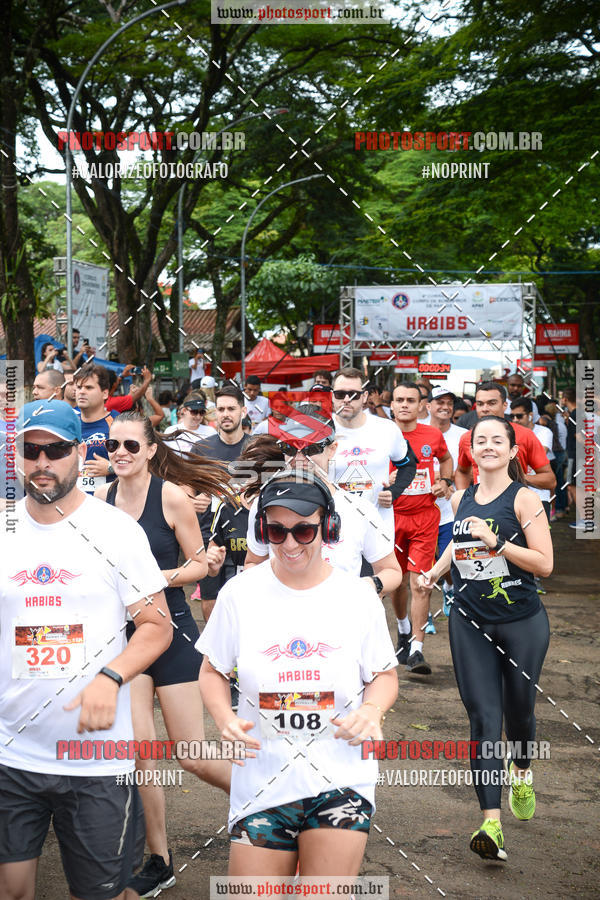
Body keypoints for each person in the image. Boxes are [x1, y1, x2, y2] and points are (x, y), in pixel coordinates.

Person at [1, 400, 172, 900]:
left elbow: (156, 625)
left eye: (54, 449)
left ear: (79, 452)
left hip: (95, 762)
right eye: (30, 451)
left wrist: (110, 676)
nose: (42, 462)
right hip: (13, 753)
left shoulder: (114, 531)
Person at [197, 472, 398, 877]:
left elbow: (383, 674)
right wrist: (224, 719)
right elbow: (212, 670)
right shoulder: (240, 593)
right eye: (276, 531)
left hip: (340, 780)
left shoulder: (358, 596)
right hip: (261, 781)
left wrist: (372, 710)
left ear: (328, 527)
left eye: (304, 530)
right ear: (262, 530)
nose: (289, 544)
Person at [95, 411, 232, 896]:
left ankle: (267, 800)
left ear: (151, 450)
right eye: (113, 446)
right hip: (125, 637)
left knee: (191, 753)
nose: (121, 454)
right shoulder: (101, 500)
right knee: (141, 755)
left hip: (171, 630)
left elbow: (199, 565)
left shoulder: (171, 497)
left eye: (132, 446)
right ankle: (159, 857)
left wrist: (156, 581)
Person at [418, 416, 552, 862]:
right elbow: (457, 547)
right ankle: (491, 824)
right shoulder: (461, 497)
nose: (488, 446)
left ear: (514, 451)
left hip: (521, 623)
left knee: (519, 711)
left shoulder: (524, 498)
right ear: (470, 450)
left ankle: (523, 770)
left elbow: (544, 564)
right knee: (483, 717)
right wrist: (434, 574)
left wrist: (498, 544)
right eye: (481, 440)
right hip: (470, 620)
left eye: (498, 440)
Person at [244, 406, 403, 599]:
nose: (300, 459)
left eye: (311, 448)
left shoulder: (359, 510)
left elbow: (391, 571)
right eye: (290, 448)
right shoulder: (265, 504)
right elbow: (252, 563)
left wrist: (368, 585)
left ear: (332, 449)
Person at [388, 383, 453, 674]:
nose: (404, 404)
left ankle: (416, 650)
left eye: (410, 400)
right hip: (389, 519)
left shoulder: (432, 435)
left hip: (425, 518)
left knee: (421, 583)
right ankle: (402, 630)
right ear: (391, 404)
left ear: (421, 405)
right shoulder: (381, 435)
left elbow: (446, 459)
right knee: (396, 582)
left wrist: (445, 482)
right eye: (399, 400)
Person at [331, 368, 417, 540]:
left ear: (364, 397)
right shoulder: (320, 431)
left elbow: (408, 464)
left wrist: (394, 491)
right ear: (332, 395)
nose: (346, 400)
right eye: (340, 394)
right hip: (333, 529)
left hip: (376, 529)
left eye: (353, 395)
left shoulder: (386, 428)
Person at [455, 383, 555, 497]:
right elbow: (462, 472)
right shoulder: (466, 438)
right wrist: (463, 499)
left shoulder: (525, 435)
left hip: (514, 507)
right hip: (480, 508)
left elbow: (550, 480)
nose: (485, 409)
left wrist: (517, 478)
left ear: (504, 405)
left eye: (492, 403)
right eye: (480, 404)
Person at [425, 386, 464, 616]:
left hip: (452, 508)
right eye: (439, 402)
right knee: (424, 562)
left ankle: (449, 589)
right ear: (427, 406)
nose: (445, 407)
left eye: (449, 403)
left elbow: (467, 468)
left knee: (450, 558)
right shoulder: (417, 432)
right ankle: (426, 614)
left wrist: (451, 484)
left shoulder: (463, 435)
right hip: (422, 508)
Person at [73, 362, 117, 495]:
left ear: (105, 394)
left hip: (108, 503)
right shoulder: (69, 422)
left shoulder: (117, 422)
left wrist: (111, 468)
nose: (82, 392)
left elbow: (141, 461)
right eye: (79, 387)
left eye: (89, 387)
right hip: (74, 505)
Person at [509, 397, 553, 521]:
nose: (515, 420)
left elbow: (538, 454)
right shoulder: (509, 433)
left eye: (519, 416)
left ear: (530, 415)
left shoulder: (544, 432)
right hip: (516, 496)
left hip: (539, 494)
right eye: (512, 417)